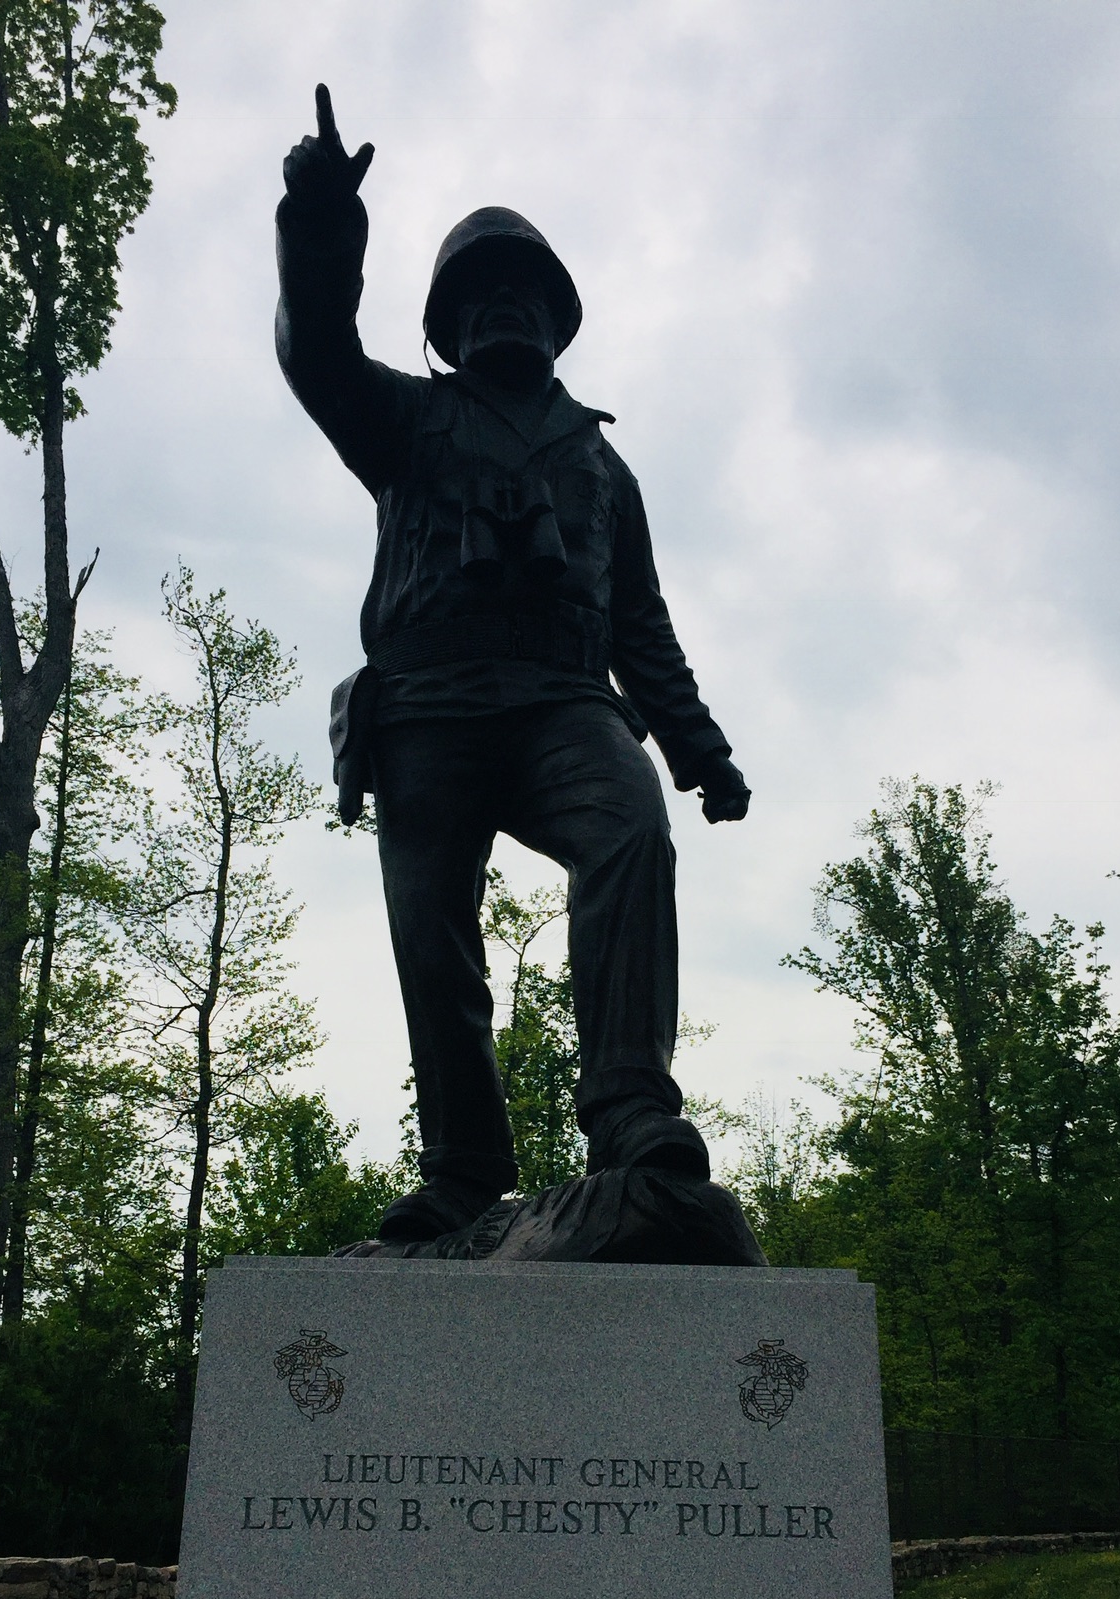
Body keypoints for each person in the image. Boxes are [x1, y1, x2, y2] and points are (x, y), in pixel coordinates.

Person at [277, 86, 751, 1244]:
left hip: (562, 705)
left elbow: (641, 623)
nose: (504, 304)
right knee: (430, 923)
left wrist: (699, 751)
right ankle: (462, 1164)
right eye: (478, 292)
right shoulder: (404, 419)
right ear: (446, 326)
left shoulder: (602, 467)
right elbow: (317, 352)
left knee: (628, 831)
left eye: (524, 291)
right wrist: (323, 228)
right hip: (427, 709)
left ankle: (631, 1112)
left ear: (556, 318)